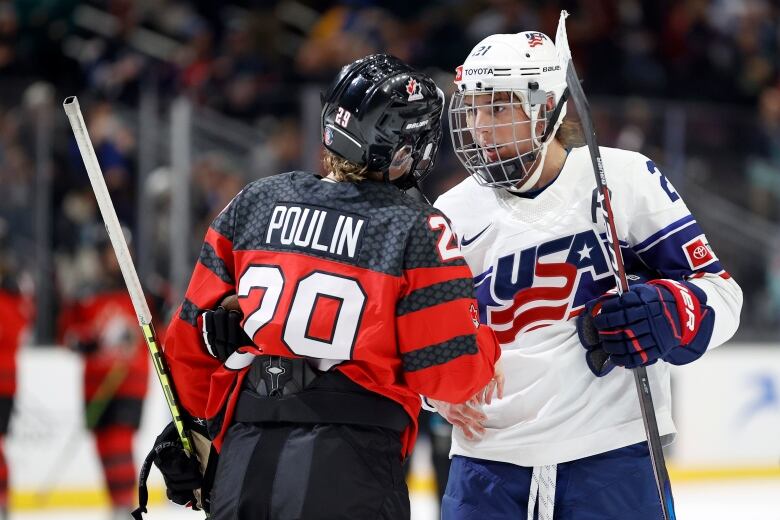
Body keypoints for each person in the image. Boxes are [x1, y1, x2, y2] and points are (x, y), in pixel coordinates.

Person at [153, 54, 502, 520]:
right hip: (350, 465)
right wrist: (486, 347)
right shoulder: (417, 227)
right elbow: (453, 375)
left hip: (245, 456)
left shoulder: (254, 202)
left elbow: (189, 343)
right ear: (403, 146)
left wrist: (196, 431)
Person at [430, 29, 743, 520]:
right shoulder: (452, 212)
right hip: (487, 465)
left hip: (613, 455)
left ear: (545, 107)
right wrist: (437, 390)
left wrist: (669, 314)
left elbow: (721, 295)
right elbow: (428, 332)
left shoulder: (624, 179)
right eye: (472, 109)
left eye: (497, 109)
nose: (480, 129)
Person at [58, 235, 149, 520]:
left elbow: (168, 327)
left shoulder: (144, 290)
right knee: (102, 443)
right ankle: (117, 504)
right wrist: (85, 342)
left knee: (118, 440)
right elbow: (66, 334)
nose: (117, 256)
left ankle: (125, 506)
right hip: (95, 384)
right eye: (110, 251)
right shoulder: (86, 294)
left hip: (129, 380)